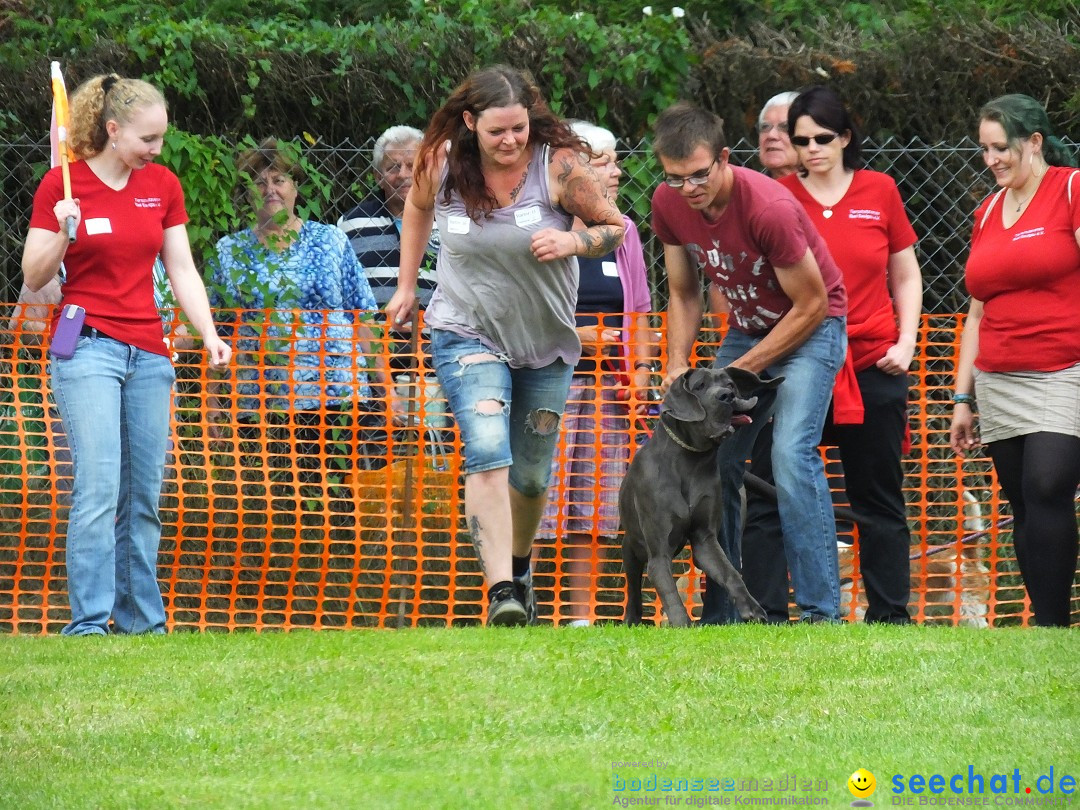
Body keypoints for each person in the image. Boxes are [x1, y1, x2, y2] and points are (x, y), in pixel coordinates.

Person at [385, 65, 625, 627]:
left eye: (518, 127)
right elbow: (418, 209)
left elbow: (616, 227)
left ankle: (518, 564)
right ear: (470, 123)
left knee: (534, 475)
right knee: (488, 447)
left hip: (544, 339)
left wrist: (571, 239)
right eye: (497, 131)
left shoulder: (560, 165)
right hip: (464, 328)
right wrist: (405, 284)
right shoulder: (440, 161)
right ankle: (501, 593)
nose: (511, 140)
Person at [21, 73, 231, 636]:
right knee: (97, 487)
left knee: (144, 496)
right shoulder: (59, 187)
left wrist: (207, 333)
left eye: (161, 138)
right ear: (113, 131)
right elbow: (35, 274)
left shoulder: (161, 185)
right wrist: (64, 232)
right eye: (148, 139)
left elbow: (181, 268)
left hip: (150, 354)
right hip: (85, 348)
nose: (157, 149)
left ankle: (141, 622)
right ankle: (88, 623)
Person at [651, 101, 848, 624]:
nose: (689, 189)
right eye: (675, 179)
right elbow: (684, 291)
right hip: (748, 329)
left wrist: (739, 373)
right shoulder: (669, 204)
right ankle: (727, 614)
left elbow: (814, 304)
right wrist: (676, 360)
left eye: (698, 175)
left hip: (811, 329)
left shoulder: (768, 208)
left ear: (724, 159)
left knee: (789, 453)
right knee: (715, 460)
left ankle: (820, 613)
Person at [778, 85, 923, 624]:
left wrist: (905, 344)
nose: (811, 149)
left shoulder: (879, 189)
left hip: (873, 364)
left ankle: (890, 616)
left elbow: (905, 273)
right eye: (800, 140)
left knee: (878, 497)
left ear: (844, 137)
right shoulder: (781, 194)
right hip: (804, 363)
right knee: (779, 492)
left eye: (822, 137)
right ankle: (779, 610)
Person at [950, 94, 1080, 628]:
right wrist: (962, 398)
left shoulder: (1071, 190)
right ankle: (1044, 629)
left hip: (1063, 366)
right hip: (997, 376)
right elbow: (975, 316)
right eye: (984, 149)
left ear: (1034, 142)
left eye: (1001, 148)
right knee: (1023, 504)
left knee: (1047, 486)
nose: (992, 160)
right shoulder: (986, 211)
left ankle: (1054, 624)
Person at [207, 138, 390, 499]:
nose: (270, 189)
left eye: (280, 180)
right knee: (280, 502)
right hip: (264, 398)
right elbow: (218, 331)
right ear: (248, 194)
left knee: (346, 499)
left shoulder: (332, 240)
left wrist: (385, 389)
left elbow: (362, 316)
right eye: (260, 182)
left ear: (295, 188)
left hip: (338, 389)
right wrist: (213, 398)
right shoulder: (229, 251)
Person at [537, 120, 653, 627]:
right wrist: (574, 337)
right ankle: (521, 607)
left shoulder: (623, 232)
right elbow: (518, 306)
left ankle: (582, 619)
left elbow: (642, 309)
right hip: (547, 380)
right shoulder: (539, 225)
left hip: (610, 389)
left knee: (595, 506)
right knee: (537, 499)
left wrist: (644, 369)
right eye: (603, 160)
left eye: (614, 160)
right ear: (576, 169)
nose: (616, 170)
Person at [728, 90, 802, 623]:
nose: (772, 136)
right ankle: (762, 609)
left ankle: (827, 608)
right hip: (754, 347)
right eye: (764, 128)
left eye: (787, 128)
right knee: (750, 477)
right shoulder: (743, 199)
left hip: (820, 353)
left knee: (798, 473)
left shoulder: (820, 198)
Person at [337, 125, 440, 308]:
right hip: (372, 333)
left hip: (435, 334)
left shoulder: (447, 220)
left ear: (426, 170)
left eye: (411, 165)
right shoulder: (351, 223)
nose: (403, 175)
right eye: (393, 167)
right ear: (378, 177)